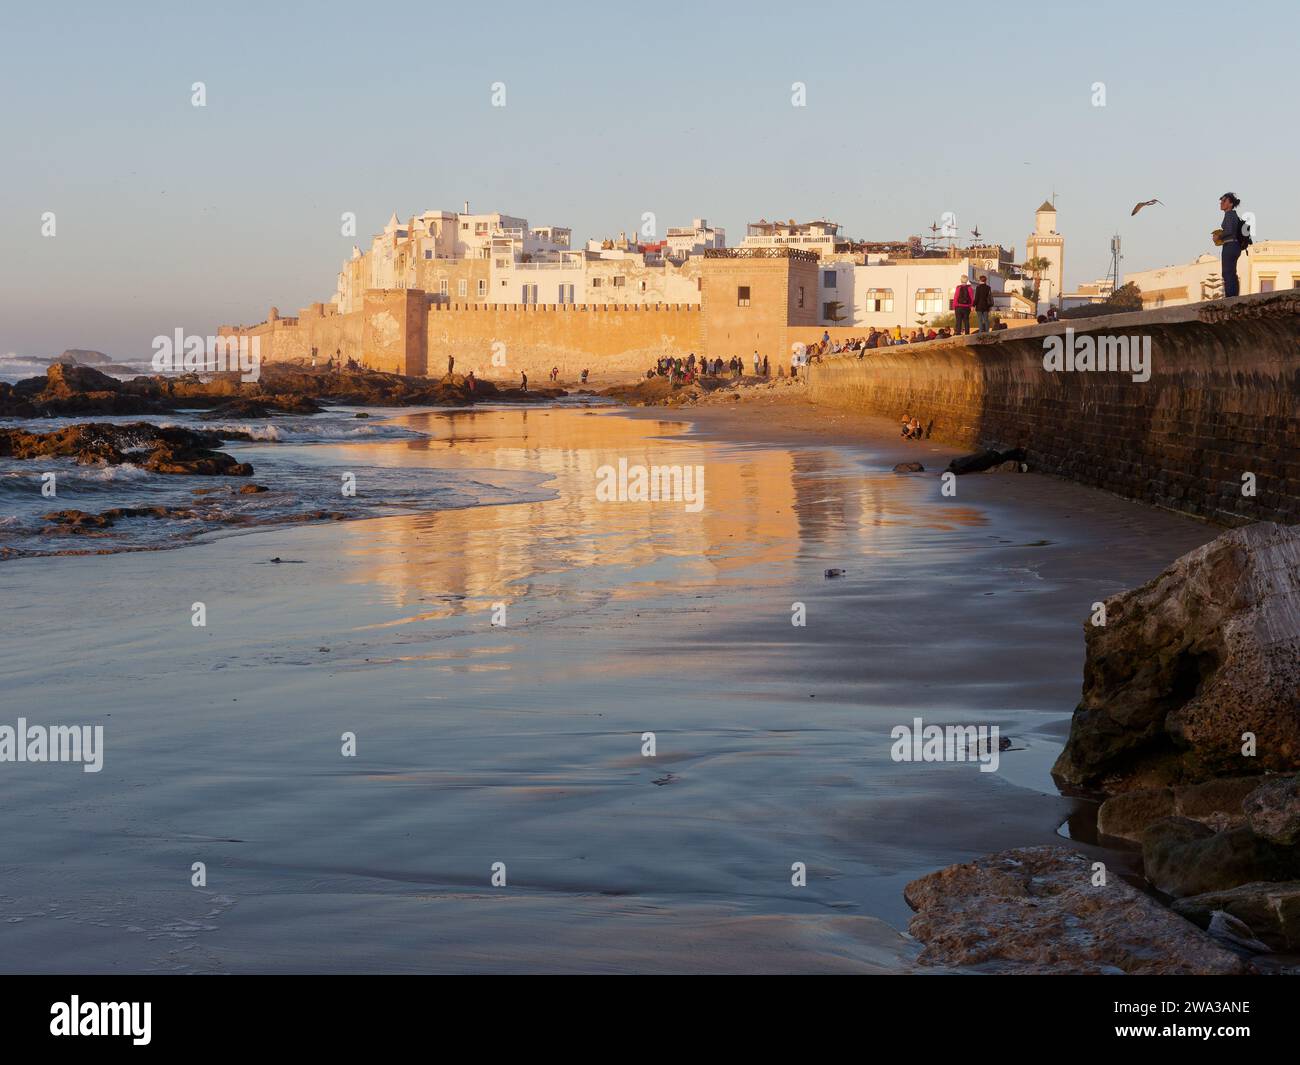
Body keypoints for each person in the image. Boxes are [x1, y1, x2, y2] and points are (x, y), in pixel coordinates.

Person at [1217, 192, 1244, 298]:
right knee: (1232, 272)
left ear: (1231, 204)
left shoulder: (1229, 214)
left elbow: (1229, 231)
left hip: (1230, 245)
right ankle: (1233, 295)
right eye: (1221, 201)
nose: (1221, 203)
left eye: (1224, 201)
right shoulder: (1233, 215)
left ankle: (1231, 296)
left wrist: (1219, 236)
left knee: (1227, 272)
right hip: (1235, 246)